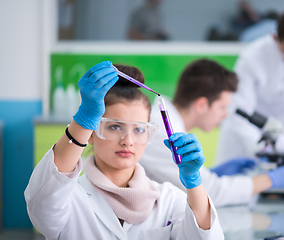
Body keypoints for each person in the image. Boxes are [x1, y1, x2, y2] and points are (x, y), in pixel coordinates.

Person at [24, 61, 223, 239]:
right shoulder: (70, 198)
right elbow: (42, 209)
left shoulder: (169, 199)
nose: (128, 141)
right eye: (114, 126)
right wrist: (83, 120)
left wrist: (195, 183)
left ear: (149, 134)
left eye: (138, 129)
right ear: (91, 133)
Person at [140, 59, 284, 207]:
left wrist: (212, 172)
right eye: (222, 107)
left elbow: (184, 179)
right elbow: (210, 192)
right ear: (201, 105)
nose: (225, 115)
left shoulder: (169, 122)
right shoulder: (166, 132)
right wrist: (270, 179)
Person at [216, 8, 284, 165]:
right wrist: (263, 150)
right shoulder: (251, 58)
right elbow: (240, 111)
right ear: (274, 37)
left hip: (283, 133)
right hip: (243, 139)